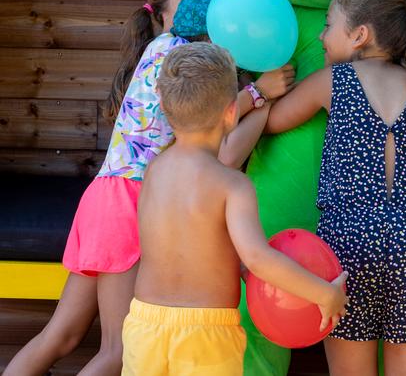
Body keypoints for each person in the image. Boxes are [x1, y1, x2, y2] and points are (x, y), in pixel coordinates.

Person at [5, 0, 292, 376]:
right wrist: (260, 95)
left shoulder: (159, 48)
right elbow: (221, 144)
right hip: (133, 200)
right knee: (118, 352)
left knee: (61, 334)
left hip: (104, 196)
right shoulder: (185, 63)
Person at [260, 0, 406, 376]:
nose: (321, 36)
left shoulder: (334, 81)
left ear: (359, 35)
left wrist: (260, 91)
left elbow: (273, 122)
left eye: (328, 25)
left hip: (351, 246)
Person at [121, 42, 347, 375]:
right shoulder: (232, 185)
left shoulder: (154, 169)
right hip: (206, 333)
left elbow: (173, 241)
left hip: (144, 323)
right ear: (231, 113)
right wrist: (324, 294)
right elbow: (258, 258)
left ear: (166, 108)